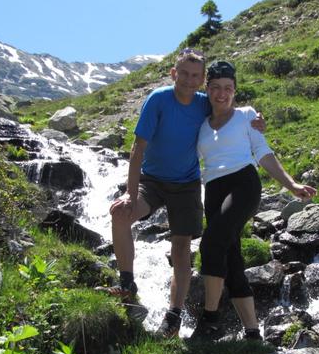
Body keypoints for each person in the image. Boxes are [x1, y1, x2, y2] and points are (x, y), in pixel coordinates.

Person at [108, 49, 264, 338]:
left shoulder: (204, 102)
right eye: (185, 74)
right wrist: (131, 194)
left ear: (202, 79)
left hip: (188, 184)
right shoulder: (158, 99)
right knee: (120, 212)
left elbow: (227, 104)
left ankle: (174, 315)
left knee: (181, 246)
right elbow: (137, 148)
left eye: (196, 76)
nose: (190, 81)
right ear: (173, 73)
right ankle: (127, 281)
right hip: (151, 180)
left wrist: (256, 119)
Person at [192, 60, 316, 341]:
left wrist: (291, 184)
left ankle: (210, 321)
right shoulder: (200, 124)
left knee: (211, 243)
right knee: (232, 260)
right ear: (207, 89)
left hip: (243, 184)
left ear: (235, 90)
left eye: (228, 88)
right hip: (212, 191)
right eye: (215, 88)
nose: (221, 94)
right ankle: (252, 334)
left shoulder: (246, 115)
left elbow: (263, 152)